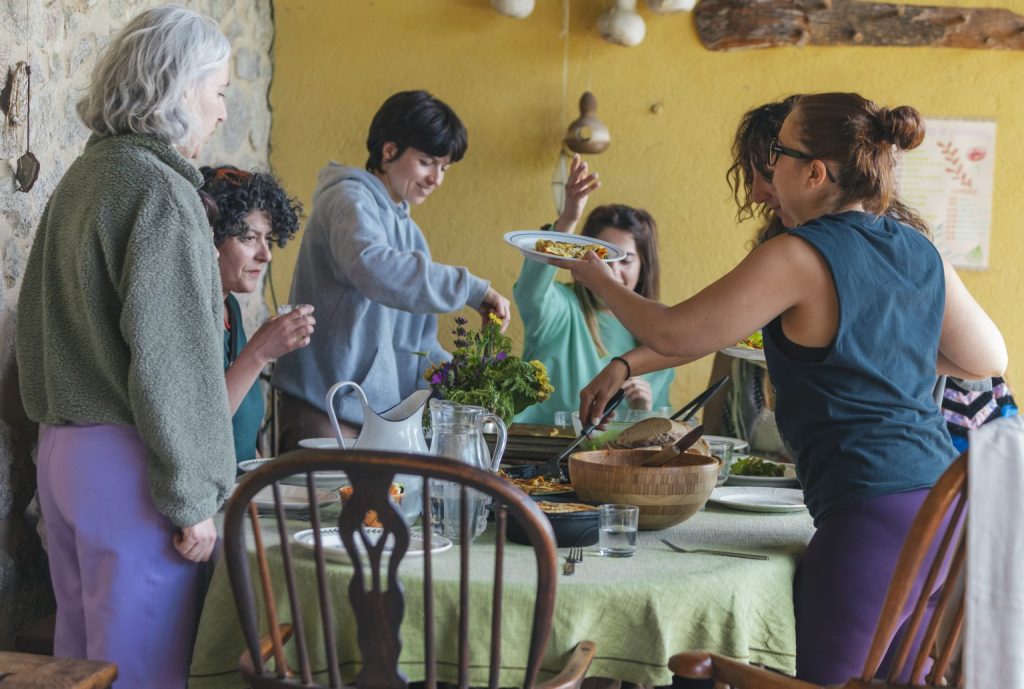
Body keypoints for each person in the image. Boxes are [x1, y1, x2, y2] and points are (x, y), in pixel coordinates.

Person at [565, 93, 1006, 684]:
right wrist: (884, 351)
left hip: (870, 514)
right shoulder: (917, 249)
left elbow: (671, 328)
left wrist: (596, 276)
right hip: (945, 512)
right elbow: (987, 359)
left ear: (814, 172)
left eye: (776, 154)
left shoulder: (798, 254)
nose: (765, 171)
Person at [15, 7, 237, 688]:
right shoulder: (160, 192)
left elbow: (33, 323)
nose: (223, 112)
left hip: (63, 455)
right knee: (142, 672)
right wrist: (191, 494)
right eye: (219, 91)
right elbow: (173, 363)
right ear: (179, 87)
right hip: (131, 464)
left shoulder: (84, 179)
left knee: (83, 668)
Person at [271, 90, 510, 450]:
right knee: (329, 510)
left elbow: (416, 344)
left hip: (376, 422)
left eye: (444, 167)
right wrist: (472, 289)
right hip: (325, 410)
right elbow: (374, 269)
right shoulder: (349, 199)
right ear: (388, 151)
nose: (437, 179)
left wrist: (468, 376)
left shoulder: (410, 233)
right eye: (427, 162)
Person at [513, 154, 673, 424]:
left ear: (644, 267)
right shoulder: (562, 308)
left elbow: (659, 437)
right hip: (539, 453)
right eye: (605, 257)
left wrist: (643, 410)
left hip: (615, 463)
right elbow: (529, 291)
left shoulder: (658, 335)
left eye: (627, 260)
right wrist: (568, 220)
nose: (613, 270)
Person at [199, 165, 315, 462]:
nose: (266, 254)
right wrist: (260, 350)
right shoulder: (191, 313)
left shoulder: (230, 308)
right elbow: (200, 425)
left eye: (268, 239)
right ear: (211, 238)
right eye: (249, 238)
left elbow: (239, 432)